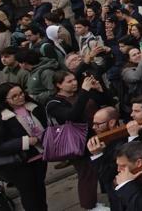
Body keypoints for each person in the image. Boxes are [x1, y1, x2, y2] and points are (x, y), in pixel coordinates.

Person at [46, 70, 113, 211]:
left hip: (97, 135)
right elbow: (72, 115)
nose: (74, 83)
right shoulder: (54, 103)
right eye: (69, 81)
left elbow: (108, 102)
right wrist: (84, 91)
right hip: (78, 143)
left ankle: (108, 194)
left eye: (74, 80)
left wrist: (101, 90)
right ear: (59, 85)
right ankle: (90, 205)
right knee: (86, 173)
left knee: (105, 166)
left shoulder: (82, 93)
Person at [0, 83, 48, 211]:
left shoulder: (33, 107)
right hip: (19, 163)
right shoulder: (0, 118)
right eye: (14, 96)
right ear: (5, 100)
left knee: (40, 190)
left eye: (21, 93)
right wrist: (24, 142)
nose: (20, 97)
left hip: (40, 157)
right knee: (29, 195)